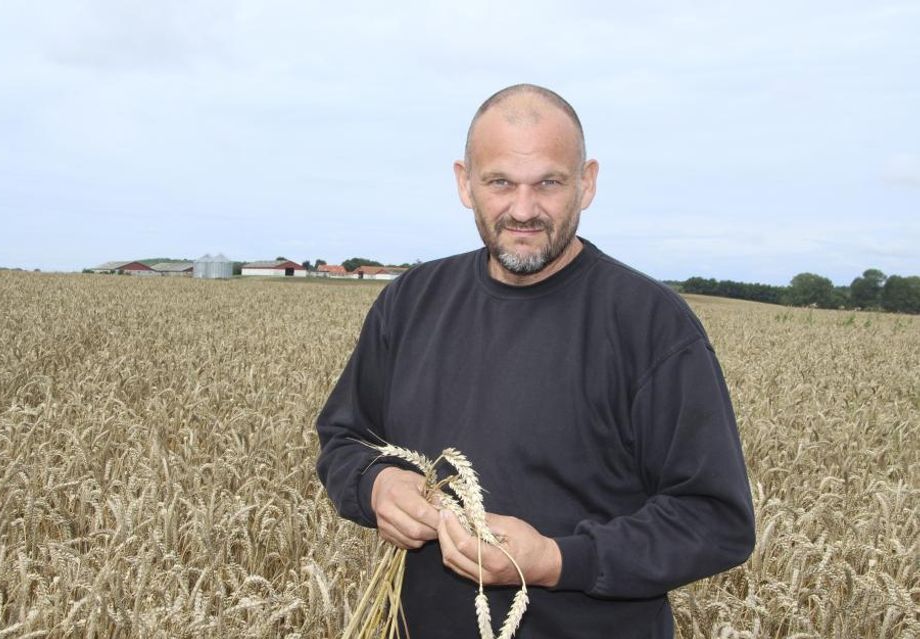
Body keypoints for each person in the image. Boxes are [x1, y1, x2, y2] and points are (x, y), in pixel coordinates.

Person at [316, 84, 755, 638]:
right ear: (464, 183)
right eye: (500, 182)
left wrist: (553, 559)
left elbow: (716, 521)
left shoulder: (653, 326)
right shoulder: (409, 302)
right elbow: (343, 439)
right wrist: (375, 484)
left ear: (586, 183)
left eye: (549, 182)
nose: (523, 209)